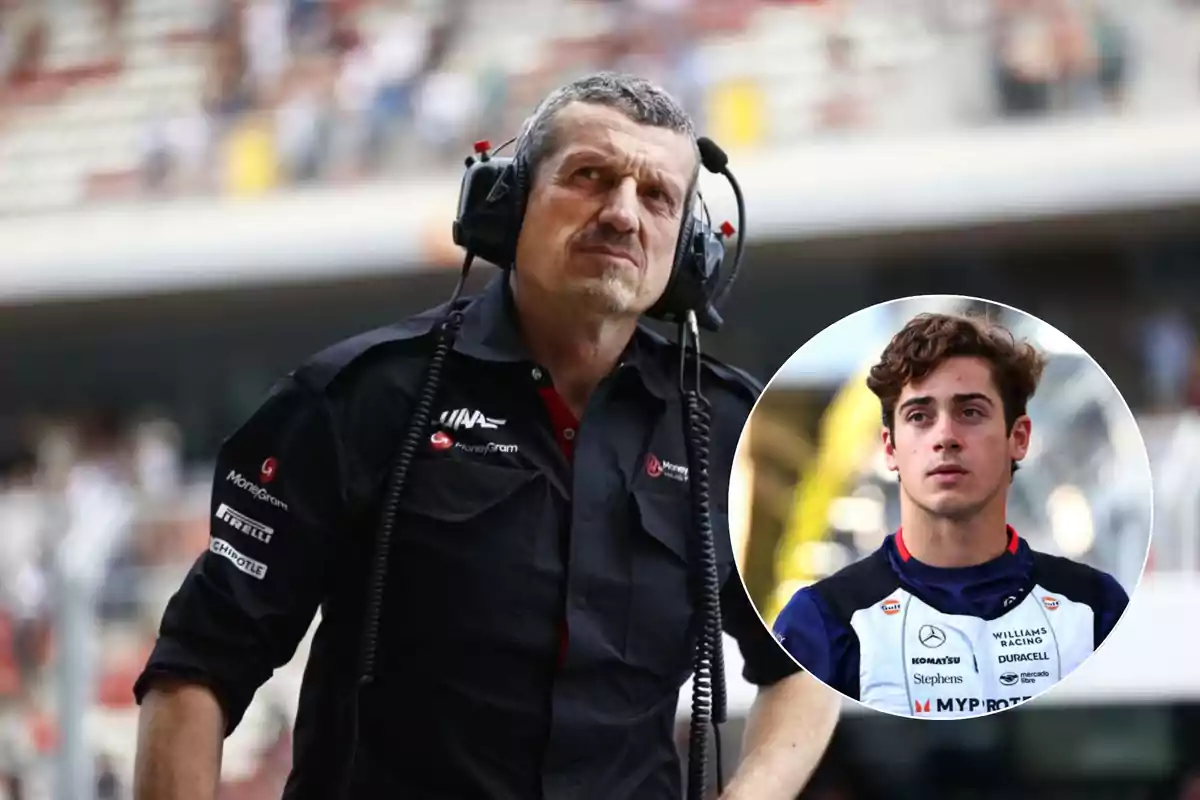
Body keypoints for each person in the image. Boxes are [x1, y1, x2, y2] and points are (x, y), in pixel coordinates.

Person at [131, 72, 840, 799]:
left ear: (689, 249)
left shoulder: (730, 430)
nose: (623, 214)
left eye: (657, 195)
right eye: (589, 177)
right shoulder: (361, 398)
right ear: (507, 204)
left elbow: (805, 659)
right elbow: (199, 665)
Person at [772, 312, 1131, 719]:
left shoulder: (1096, 607)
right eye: (920, 416)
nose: (945, 438)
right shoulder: (818, 622)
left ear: (1019, 438)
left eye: (971, 412)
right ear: (889, 448)